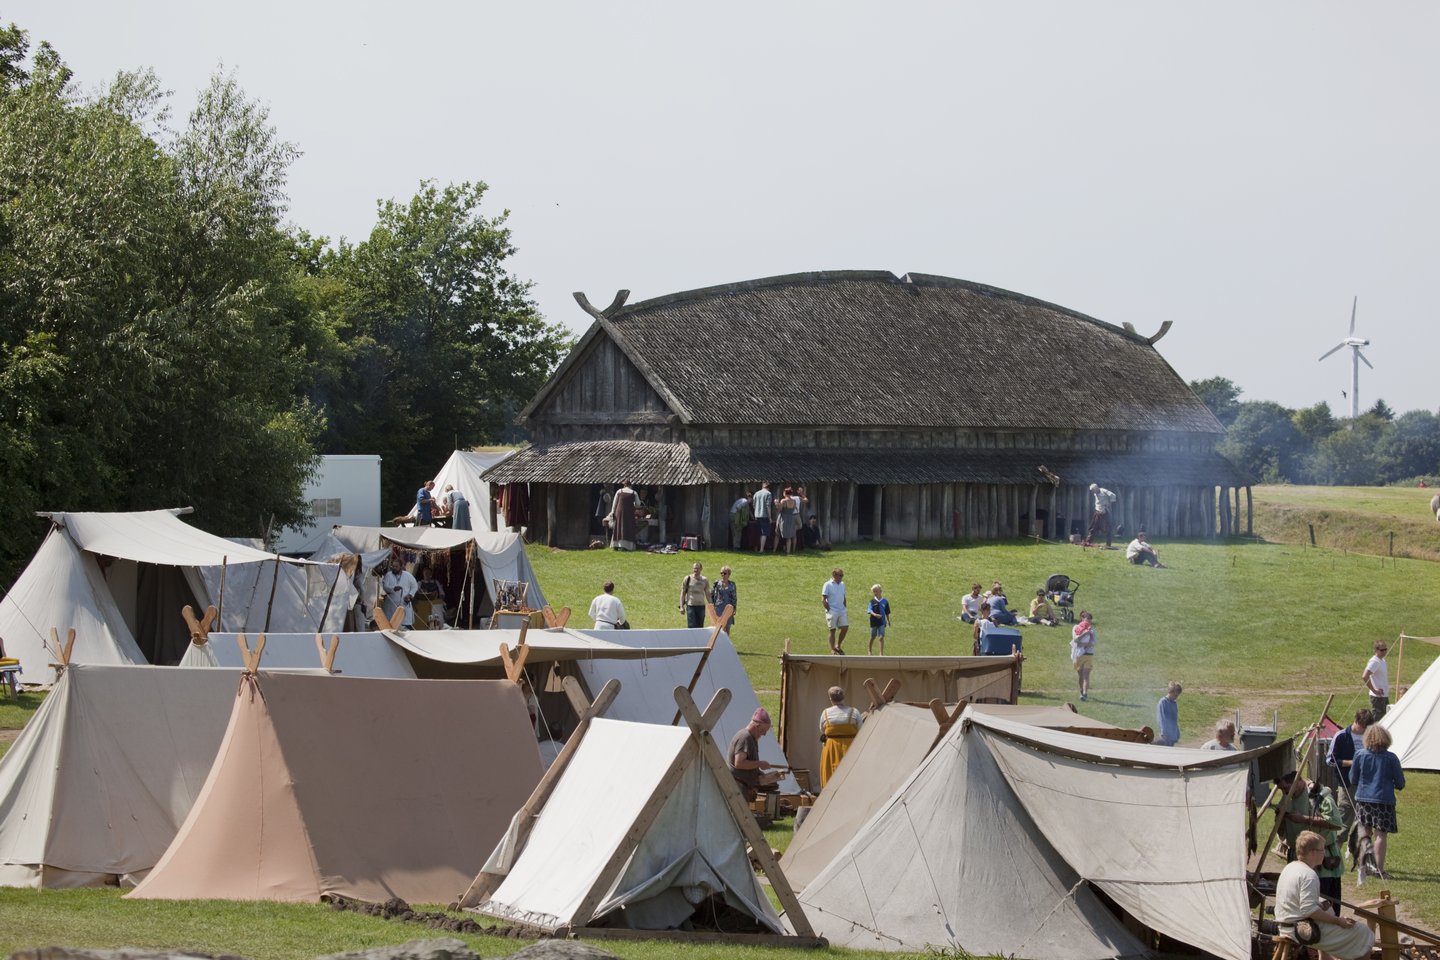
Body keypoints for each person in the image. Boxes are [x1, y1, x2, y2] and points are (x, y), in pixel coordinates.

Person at [1274, 831, 1375, 960]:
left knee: (1349, 927)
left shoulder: (1290, 867)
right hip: (1301, 930)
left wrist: (1319, 905)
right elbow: (1309, 910)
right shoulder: (1308, 875)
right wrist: (1339, 921)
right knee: (1363, 933)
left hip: (1286, 925)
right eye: (1322, 850)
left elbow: (1299, 904)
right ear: (1312, 852)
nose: (1325, 853)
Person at [1275, 770, 1345, 919]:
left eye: (1286, 788)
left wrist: (1304, 819)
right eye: (1281, 789)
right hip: (1299, 861)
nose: (1285, 792)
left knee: (1326, 911)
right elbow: (1281, 829)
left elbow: (1336, 822)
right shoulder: (1286, 798)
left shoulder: (1319, 795)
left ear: (1298, 781)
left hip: (1323, 864)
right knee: (1302, 911)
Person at [1350, 723, 1405, 882]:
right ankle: (1379, 870)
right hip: (1384, 800)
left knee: (1365, 833)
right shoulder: (1391, 758)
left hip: (1364, 799)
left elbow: (1353, 778)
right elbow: (1400, 782)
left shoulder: (1360, 755)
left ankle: (1364, 865)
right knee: (1381, 835)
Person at [1327, 708, 1373, 860]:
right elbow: (1330, 760)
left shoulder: (1370, 736)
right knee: (1344, 818)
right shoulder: (1341, 736)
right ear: (1357, 722)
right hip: (1347, 783)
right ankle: (1334, 852)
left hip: (1366, 783)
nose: (1365, 730)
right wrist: (1352, 763)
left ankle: (1355, 850)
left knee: (1364, 819)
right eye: (1364, 727)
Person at [728, 708, 775, 803]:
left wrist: (760, 774)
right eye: (763, 730)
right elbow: (739, 763)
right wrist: (759, 764)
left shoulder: (751, 738)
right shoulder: (745, 737)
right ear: (756, 726)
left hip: (743, 786)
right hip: (738, 787)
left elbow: (748, 762)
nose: (764, 734)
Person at [819, 686, 863, 787]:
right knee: (849, 775)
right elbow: (861, 729)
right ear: (843, 697)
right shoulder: (854, 712)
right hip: (850, 747)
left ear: (831, 699)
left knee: (830, 775)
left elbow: (822, 729)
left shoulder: (825, 713)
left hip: (831, 748)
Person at [380, 556, 418, 630]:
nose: (394, 568)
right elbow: (385, 587)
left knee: (405, 626)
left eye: (396, 566)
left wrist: (410, 595)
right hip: (391, 605)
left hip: (404, 604)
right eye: (393, 566)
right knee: (390, 625)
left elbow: (414, 586)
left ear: (401, 566)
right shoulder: (388, 575)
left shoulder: (408, 575)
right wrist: (393, 589)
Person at [1070, 611, 1096, 702]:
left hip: (1089, 654)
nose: (1089, 620)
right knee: (1080, 675)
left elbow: (1093, 643)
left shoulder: (1092, 630)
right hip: (1078, 655)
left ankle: (1085, 693)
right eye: (1087, 618)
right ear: (1082, 618)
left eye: (1090, 619)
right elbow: (1076, 639)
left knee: (1085, 675)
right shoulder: (1076, 628)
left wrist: (1084, 644)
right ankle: (1081, 692)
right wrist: (1085, 633)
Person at [1361, 640, 1390, 719]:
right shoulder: (1374, 661)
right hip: (1377, 697)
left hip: (1383, 695)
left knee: (1385, 719)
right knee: (1377, 721)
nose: (1384, 652)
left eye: (1385, 649)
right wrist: (1374, 690)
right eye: (1382, 650)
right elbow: (1365, 676)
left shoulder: (1382, 660)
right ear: (1376, 650)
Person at [822, 567, 848, 654]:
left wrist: (845, 607)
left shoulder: (842, 584)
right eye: (840, 575)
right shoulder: (827, 584)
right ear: (834, 574)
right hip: (832, 610)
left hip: (841, 610)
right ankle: (833, 649)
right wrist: (829, 609)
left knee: (845, 627)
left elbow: (843, 597)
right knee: (832, 630)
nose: (841, 577)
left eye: (842, 575)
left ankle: (838, 645)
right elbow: (823, 598)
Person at [1084, 483, 1117, 548]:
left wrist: (1110, 503)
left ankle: (1108, 544)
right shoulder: (1095, 493)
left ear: (1096, 488)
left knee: (1108, 528)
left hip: (1105, 513)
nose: (1093, 492)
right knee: (1093, 527)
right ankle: (1088, 542)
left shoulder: (1104, 491)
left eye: (1093, 490)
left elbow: (1113, 495)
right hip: (1097, 512)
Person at [608, 482, 639, 551]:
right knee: (628, 527)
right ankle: (627, 546)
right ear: (630, 485)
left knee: (619, 527)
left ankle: (616, 545)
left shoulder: (619, 491)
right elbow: (638, 504)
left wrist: (613, 511)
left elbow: (614, 502)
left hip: (619, 512)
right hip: (629, 513)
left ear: (624, 485)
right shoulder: (634, 492)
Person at [679, 561, 709, 628]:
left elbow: (708, 594)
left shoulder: (704, 580)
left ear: (701, 569)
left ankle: (699, 638)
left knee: (700, 627)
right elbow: (683, 593)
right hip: (691, 606)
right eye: (694, 568)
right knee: (691, 627)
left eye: (697, 568)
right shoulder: (687, 579)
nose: (695, 570)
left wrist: (711, 605)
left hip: (701, 607)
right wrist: (681, 606)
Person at [711, 566, 738, 635]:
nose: (723, 575)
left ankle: (726, 643)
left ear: (729, 574)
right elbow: (712, 595)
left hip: (728, 607)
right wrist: (713, 607)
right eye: (721, 573)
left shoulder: (732, 584)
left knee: (727, 627)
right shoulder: (717, 583)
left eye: (725, 573)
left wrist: (734, 608)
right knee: (718, 627)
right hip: (719, 608)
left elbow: (734, 597)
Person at [866, 584, 892, 655]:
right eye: (874, 591)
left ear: (880, 591)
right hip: (874, 621)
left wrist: (888, 621)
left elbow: (887, 612)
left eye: (876, 591)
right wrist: (875, 615)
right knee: (873, 636)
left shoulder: (885, 601)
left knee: (881, 637)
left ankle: (881, 653)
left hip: (882, 622)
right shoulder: (872, 601)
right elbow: (869, 610)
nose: (875, 593)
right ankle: (869, 650)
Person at [1155, 681, 1182, 746]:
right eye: (1175, 695)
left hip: (1172, 736)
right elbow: (1162, 719)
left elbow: (1174, 720)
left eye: (1178, 695)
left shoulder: (1174, 704)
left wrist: (1177, 733)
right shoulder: (1163, 702)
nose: (1176, 697)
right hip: (1166, 736)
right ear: (1171, 691)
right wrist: (1163, 733)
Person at [751, 482, 774, 553]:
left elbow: (754, 505)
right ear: (768, 487)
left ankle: (756, 548)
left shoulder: (756, 493)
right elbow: (768, 506)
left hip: (757, 515)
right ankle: (761, 549)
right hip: (764, 515)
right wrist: (770, 517)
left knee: (758, 532)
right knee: (764, 532)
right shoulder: (768, 494)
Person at [776, 486, 799, 554]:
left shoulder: (783, 500)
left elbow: (779, 509)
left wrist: (777, 503)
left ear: (785, 493)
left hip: (783, 518)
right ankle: (788, 551)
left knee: (777, 533)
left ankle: (774, 549)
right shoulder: (794, 501)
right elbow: (794, 509)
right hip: (791, 518)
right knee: (789, 536)